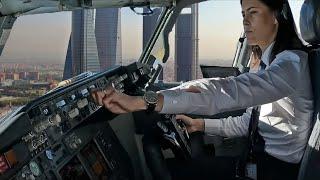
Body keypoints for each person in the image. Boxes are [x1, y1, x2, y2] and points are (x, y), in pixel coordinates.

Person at [91, 0, 313, 179]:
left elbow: (226, 91)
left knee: (177, 171)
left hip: (277, 170)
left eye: (253, 12)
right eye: (243, 14)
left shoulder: (290, 64)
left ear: (276, 15)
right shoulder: (267, 64)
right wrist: (200, 124)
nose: (245, 21)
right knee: (182, 165)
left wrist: (143, 101)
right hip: (256, 159)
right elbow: (248, 123)